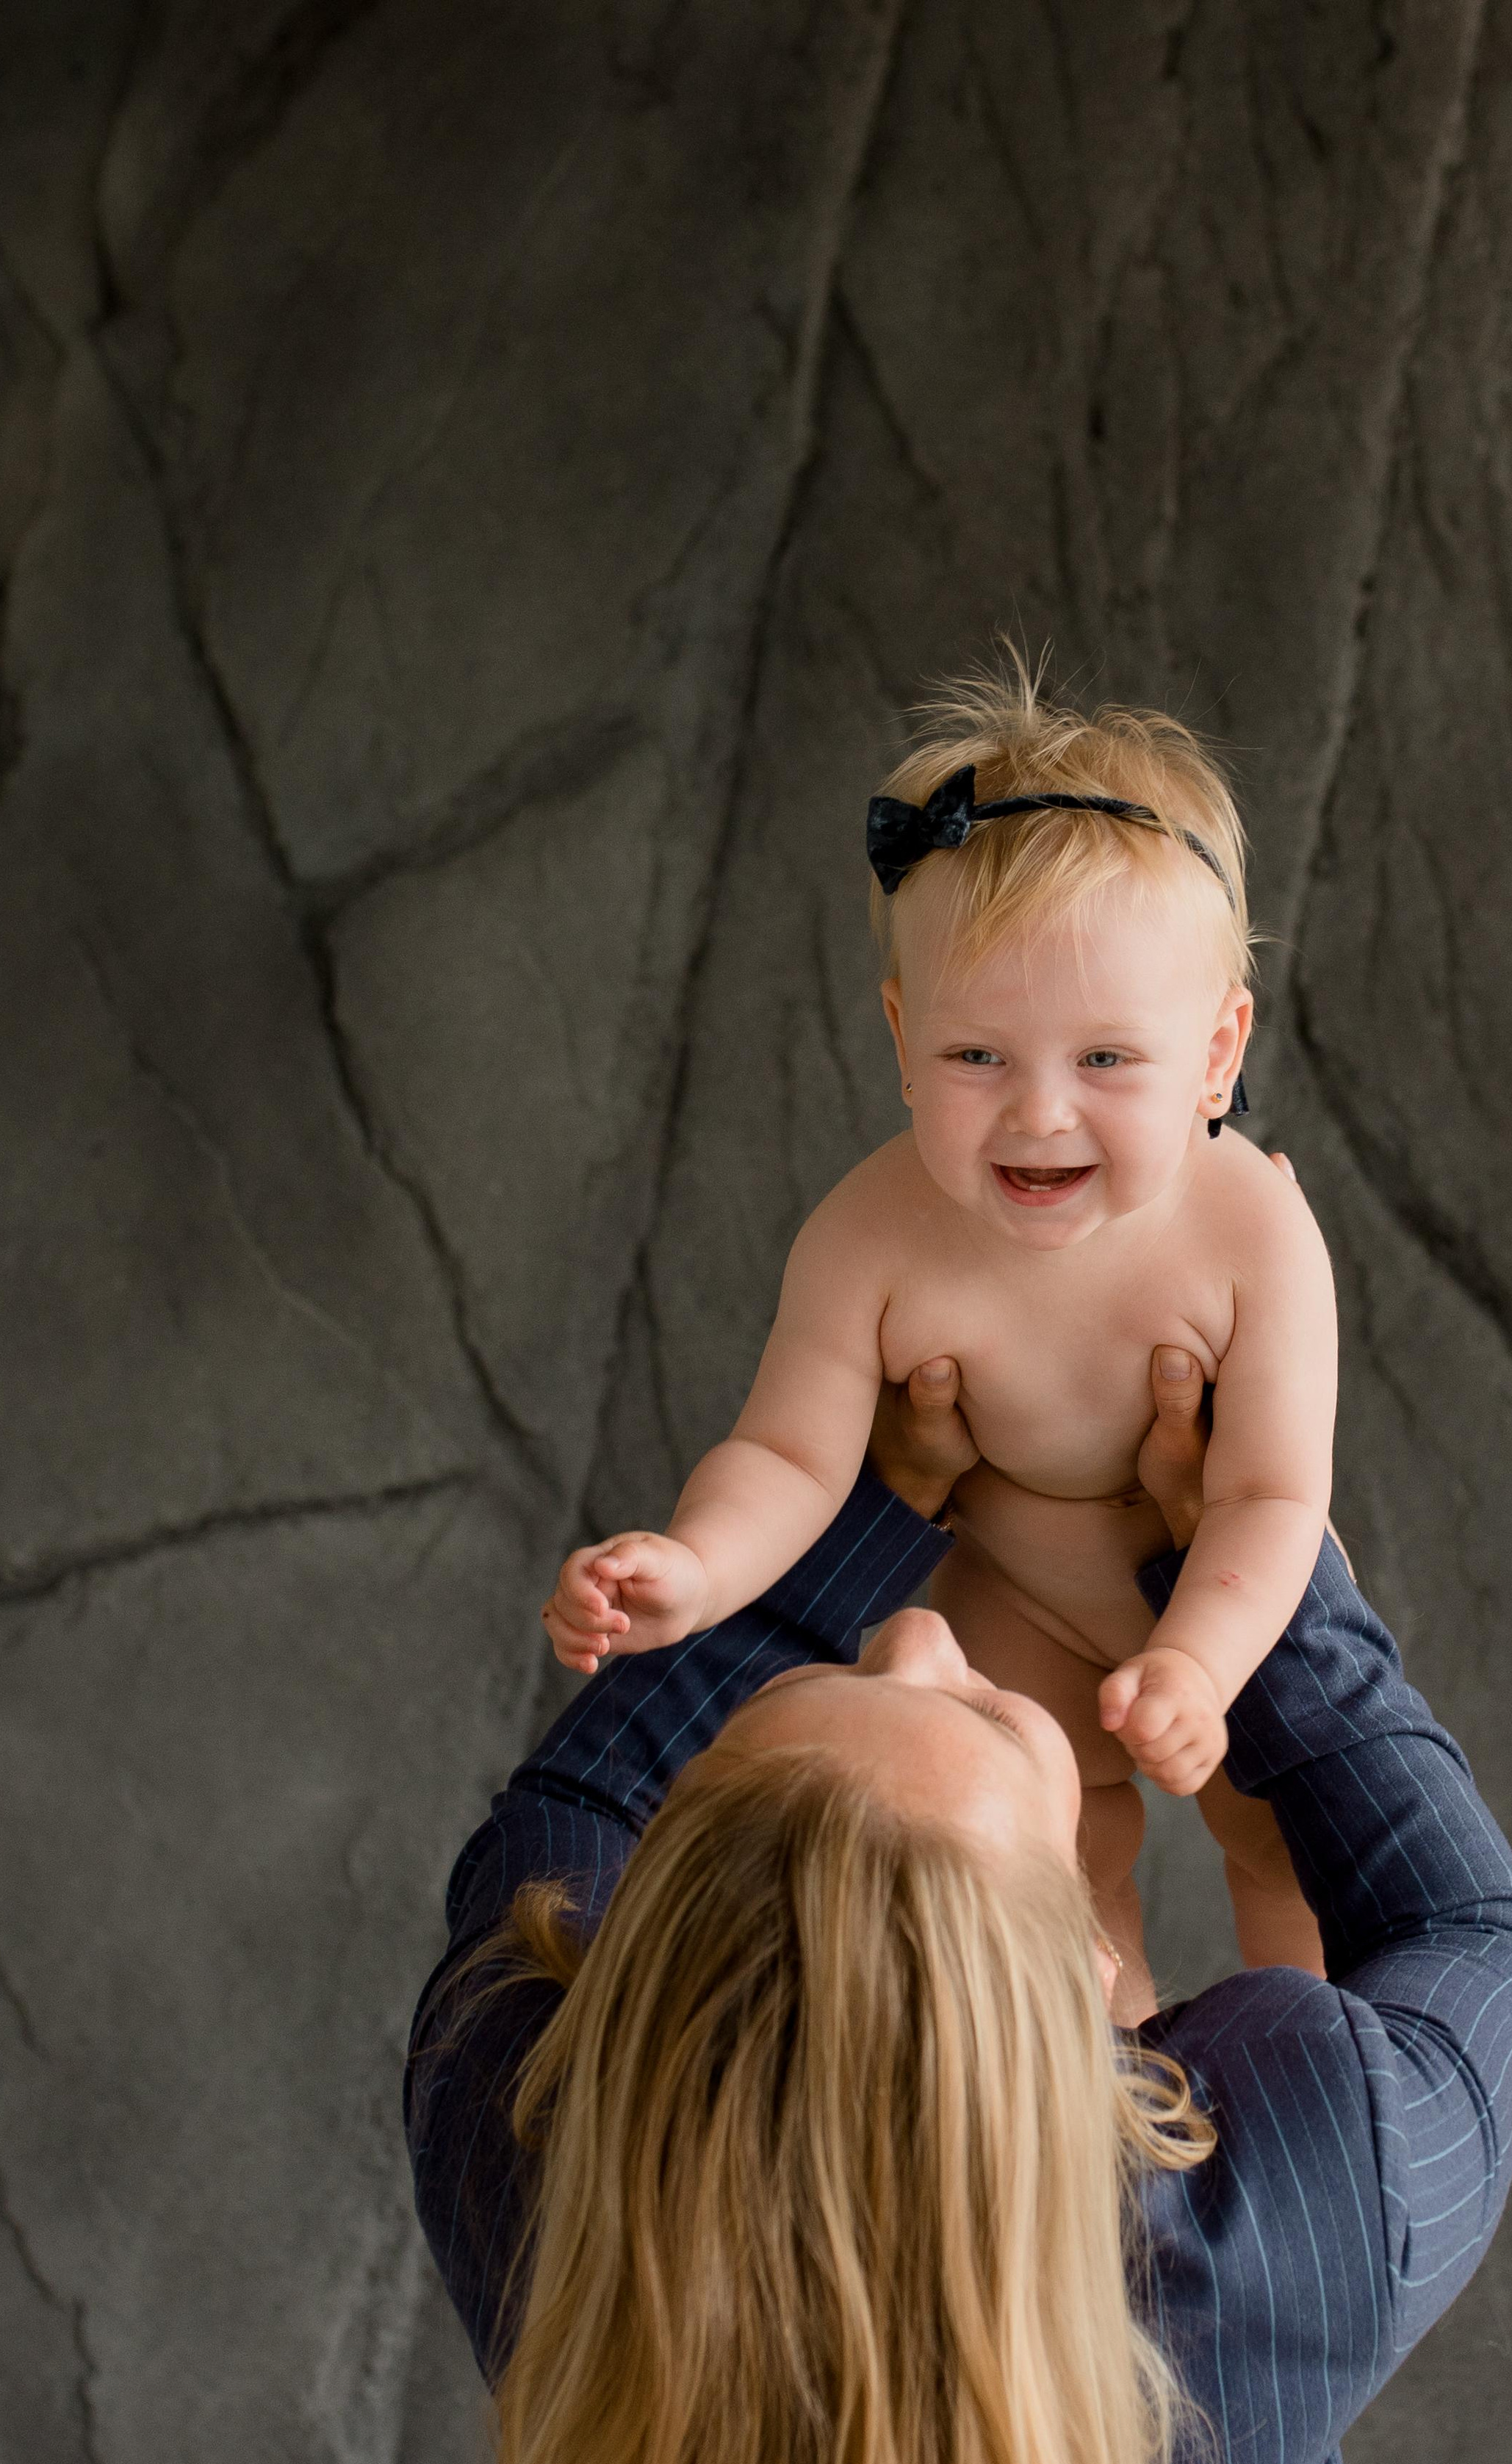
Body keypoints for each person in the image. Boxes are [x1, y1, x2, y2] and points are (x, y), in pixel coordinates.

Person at [403, 1346, 1512, 2464]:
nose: (910, 1633)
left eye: (848, 1664)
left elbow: (574, 1810)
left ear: (631, 1953)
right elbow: (1469, 1948)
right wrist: (1249, 1591)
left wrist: (885, 1489)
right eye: (986, 1714)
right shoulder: (1288, 2204)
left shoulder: (522, 2110)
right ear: (1090, 1984)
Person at [541, 658, 1335, 1995]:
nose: (1038, 1113)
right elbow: (791, 1458)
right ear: (904, 1041)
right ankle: (1100, 2103)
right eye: (979, 1058)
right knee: (1048, 1880)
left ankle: (1303, 2076)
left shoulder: (1254, 1231)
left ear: (1217, 1053)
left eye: (1106, 1060)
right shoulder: (871, 1233)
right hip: (1009, 1602)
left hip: (1229, 1596)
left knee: (1289, 1853)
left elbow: (1269, 1490)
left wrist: (1198, 1664)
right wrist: (698, 1566)